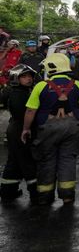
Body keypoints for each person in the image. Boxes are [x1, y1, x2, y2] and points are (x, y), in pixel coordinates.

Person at [21, 53, 79, 205]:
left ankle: (45, 196)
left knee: (46, 160)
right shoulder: (78, 85)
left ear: (50, 68)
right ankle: (67, 196)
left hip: (47, 130)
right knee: (68, 160)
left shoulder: (41, 86)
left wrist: (26, 129)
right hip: (72, 128)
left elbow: (30, 111)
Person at [0, 64, 37, 204]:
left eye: (30, 76)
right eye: (24, 76)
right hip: (21, 129)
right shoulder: (19, 94)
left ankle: (7, 191)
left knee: (14, 162)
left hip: (15, 129)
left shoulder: (20, 91)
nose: (28, 79)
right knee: (27, 161)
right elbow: (25, 113)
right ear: (16, 78)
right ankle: (36, 194)